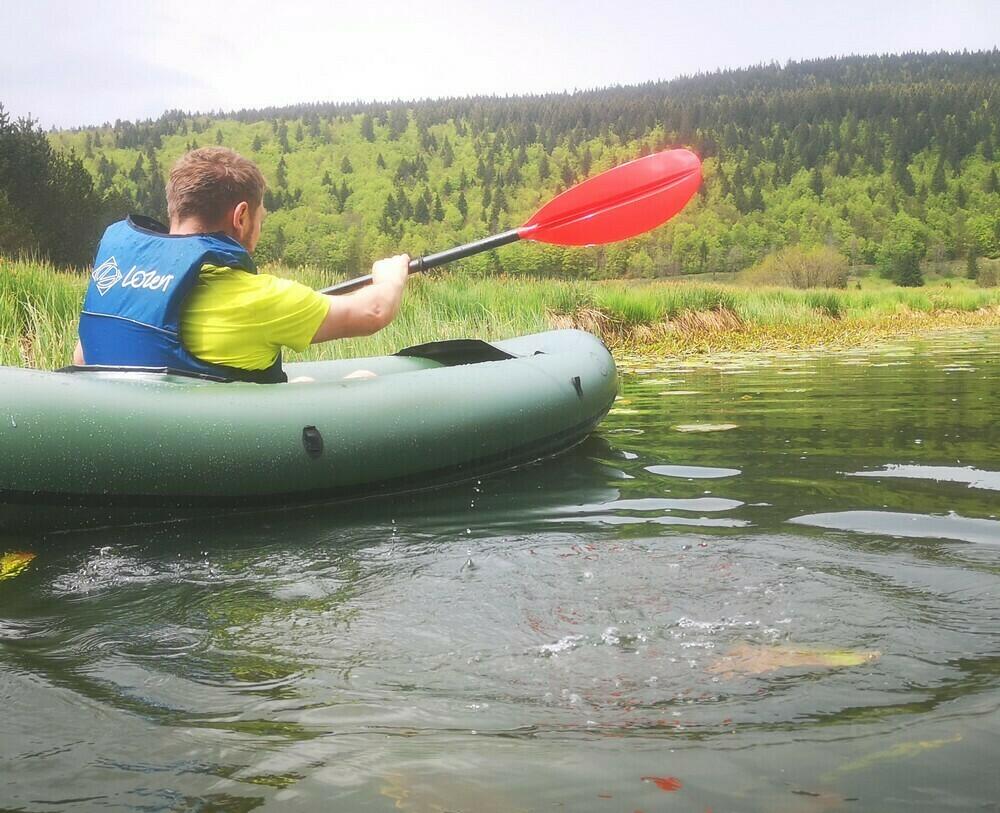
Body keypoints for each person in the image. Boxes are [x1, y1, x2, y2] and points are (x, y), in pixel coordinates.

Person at [74, 146, 408, 383]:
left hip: (129, 435)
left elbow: (81, 357)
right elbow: (374, 311)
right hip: (211, 447)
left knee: (303, 384)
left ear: (175, 209)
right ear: (241, 216)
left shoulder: (120, 281)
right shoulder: (257, 298)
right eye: (260, 218)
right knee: (362, 379)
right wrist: (390, 277)